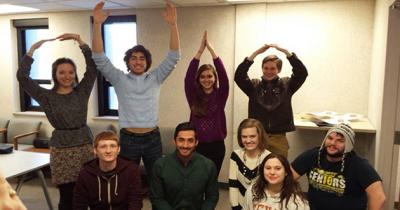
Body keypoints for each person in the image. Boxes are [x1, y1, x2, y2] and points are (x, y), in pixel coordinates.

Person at [91, 0, 180, 179]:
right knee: (125, 180)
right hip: (128, 138)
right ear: (128, 61)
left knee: (158, 180)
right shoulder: (119, 78)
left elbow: (174, 56)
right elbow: (98, 57)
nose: (137, 61)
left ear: (147, 62)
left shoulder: (156, 77)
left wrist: (173, 25)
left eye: (141, 58)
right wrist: (97, 24)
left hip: (152, 138)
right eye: (133, 58)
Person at [16, 34, 97, 210]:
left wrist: (81, 43)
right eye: (62, 72)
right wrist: (31, 52)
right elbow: (22, 77)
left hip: (84, 146)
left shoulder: (81, 91)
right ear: (55, 74)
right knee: (67, 195)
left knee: (86, 193)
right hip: (62, 150)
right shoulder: (46, 96)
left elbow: (92, 68)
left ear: (75, 74)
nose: (67, 76)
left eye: (70, 72)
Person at [234, 44, 308, 158]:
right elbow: (239, 76)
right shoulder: (254, 86)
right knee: (257, 170)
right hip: (257, 137)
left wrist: (287, 53)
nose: (268, 71)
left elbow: (302, 73)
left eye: (273, 68)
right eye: (266, 68)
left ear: (279, 69)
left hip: (279, 138)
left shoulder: (287, 85)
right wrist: (256, 54)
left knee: (279, 170)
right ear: (262, 68)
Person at [291, 123, 386, 210]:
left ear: (349, 145)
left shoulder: (359, 165)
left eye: (340, 141)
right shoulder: (312, 156)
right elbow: (288, 178)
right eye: (330, 138)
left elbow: (378, 197)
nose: (332, 143)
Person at [184, 30, 229, 176]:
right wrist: (200, 51)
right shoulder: (193, 96)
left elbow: (224, 76)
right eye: (202, 77)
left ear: (215, 78)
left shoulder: (220, 95)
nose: (206, 79)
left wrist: (212, 51)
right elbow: (188, 77)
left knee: (211, 180)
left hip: (217, 146)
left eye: (210, 76)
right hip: (197, 146)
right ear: (198, 79)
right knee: (196, 179)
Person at [150, 122, 219, 210]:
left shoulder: (208, 166)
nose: (185, 145)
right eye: (181, 140)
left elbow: (212, 198)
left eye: (190, 140)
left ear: (196, 142)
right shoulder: (160, 165)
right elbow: (157, 199)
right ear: (174, 141)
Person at [73, 131, 143, 210]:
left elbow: (135, 201)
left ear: (118, 149)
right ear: (95, 150)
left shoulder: (131, 170)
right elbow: (79, 204)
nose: (108, 151)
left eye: (112, 146)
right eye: (103, 147)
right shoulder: (85, 173)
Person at [229, 118, 271, 210]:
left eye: (252, 136)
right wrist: (235, 207)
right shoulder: (235, 155)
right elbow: (233, 186)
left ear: (260, 136)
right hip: (238, 206)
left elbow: (270, 191)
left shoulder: (269, 157)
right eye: (244, 136)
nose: (248, 141)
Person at [243, 153, 309, 210]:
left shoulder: (297, 201)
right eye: (268, 168)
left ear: (286, 172)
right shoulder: (253, 191)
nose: (272, 172)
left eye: (278, 168)